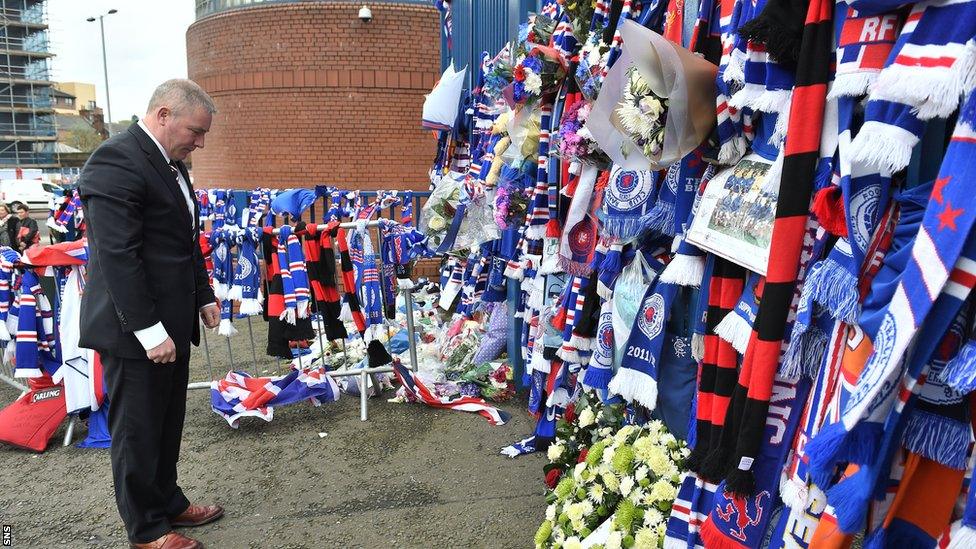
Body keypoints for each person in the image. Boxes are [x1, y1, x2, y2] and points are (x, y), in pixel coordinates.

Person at [78, 79, 223, 549]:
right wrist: (148, 329)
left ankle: (168, 499)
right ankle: (146, 529)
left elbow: (184, 239)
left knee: (166, 422)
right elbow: (118, 256)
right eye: (195, 131)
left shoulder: (172, 164)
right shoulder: (116, 159)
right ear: (163, 115)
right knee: (137, 430)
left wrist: (203, 294)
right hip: (135, 330)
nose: (199, 142)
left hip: (173, 324)